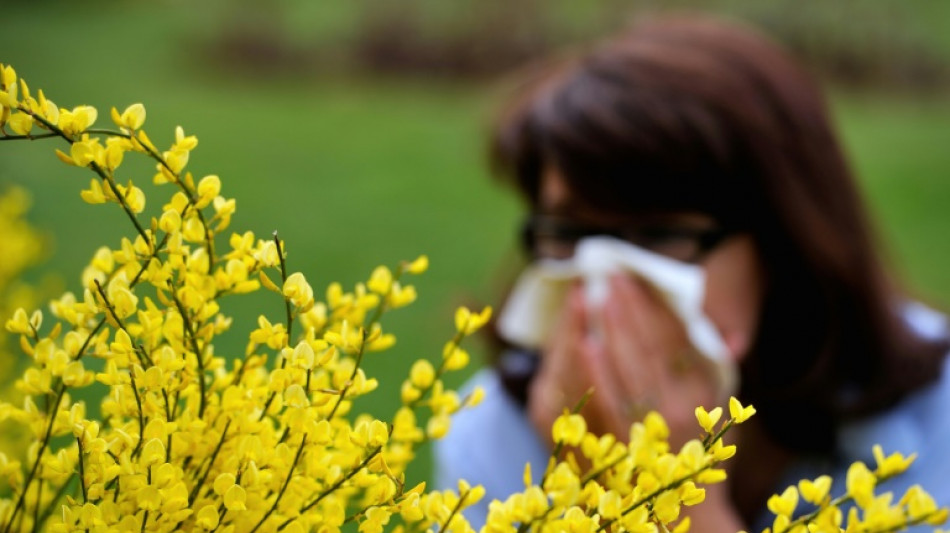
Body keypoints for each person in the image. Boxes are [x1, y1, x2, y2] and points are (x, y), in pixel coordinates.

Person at [434, 14, 950, 532]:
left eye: (661, 235)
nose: (608, 277)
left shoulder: (937, 421)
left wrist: (677, 497)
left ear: (784, 243)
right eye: (570, 233)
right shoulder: (496, 433)